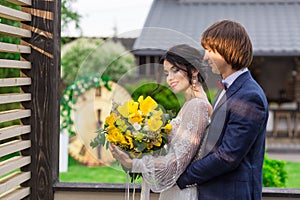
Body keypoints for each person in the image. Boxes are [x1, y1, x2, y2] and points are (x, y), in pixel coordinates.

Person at [176, 19, 269, 199]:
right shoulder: (228, 89)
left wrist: (182, 176)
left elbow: (227, 157)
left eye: (210, 50)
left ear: (227, 49)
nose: (205, 57)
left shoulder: (249, 96)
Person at [110, 44, 212, 200]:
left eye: (175, 70)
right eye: (166, 73)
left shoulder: (197, 106)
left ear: (194, 70)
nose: (169, 78)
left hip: (183, 193)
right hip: (175, 190)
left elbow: (177, 161)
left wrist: (134, 163)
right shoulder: (189, 104)